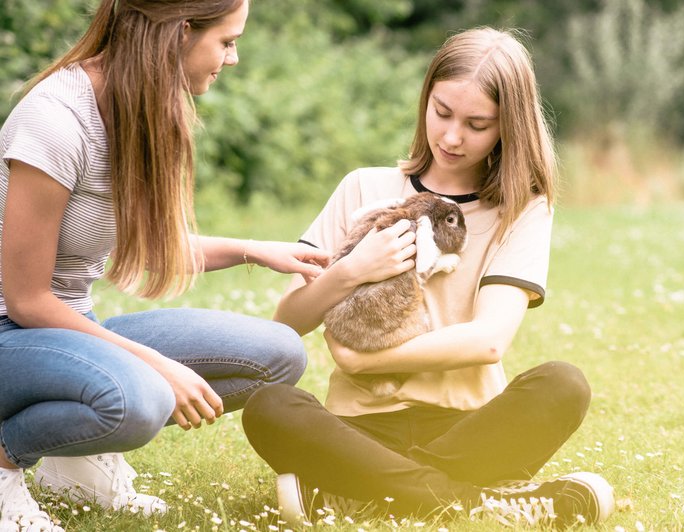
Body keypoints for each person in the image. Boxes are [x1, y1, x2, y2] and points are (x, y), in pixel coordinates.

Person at [241, 27, 616, 528]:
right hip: (360, 428)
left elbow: (488, 342)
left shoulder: (522, 209)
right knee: (269, 406)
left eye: (477, 124)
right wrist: (352, 270)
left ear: (509, 127)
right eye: (441, 113)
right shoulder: (362, 187)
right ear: (425, 101)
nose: (452, 136)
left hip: (470, 427)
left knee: (564, 385)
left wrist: (361, 360)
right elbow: (287, 323)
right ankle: (481, 500)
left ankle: (357, 489)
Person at [0, 1, 344, 530]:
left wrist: (255, 250)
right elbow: (26, 300)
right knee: (138, 399)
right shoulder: (56, 120)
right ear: (182, 32)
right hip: (13, 330)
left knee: (278, 355)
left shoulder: (143, 106)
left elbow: (143, 246)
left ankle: (75, 462)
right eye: (227, 41)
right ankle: (4, 459)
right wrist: (156, 365)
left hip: (69, 331)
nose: (233, 58)